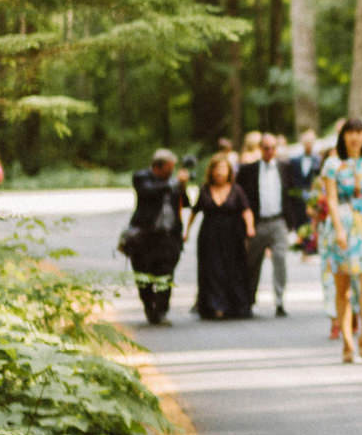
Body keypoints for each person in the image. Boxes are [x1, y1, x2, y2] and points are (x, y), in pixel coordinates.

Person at [320, 119, 362, 362]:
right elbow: (332, 199)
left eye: (359, 132)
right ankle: (347, 341)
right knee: (343, 287)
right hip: (343, 225)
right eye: (350, 133)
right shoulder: (332, 164)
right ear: (344, 136)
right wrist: (338, 229)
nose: (355, 137)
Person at [236, 132, 306, 316]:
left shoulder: (285, 168)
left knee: (280, 259)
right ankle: (248, 301)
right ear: (260, 149)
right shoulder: (248, 170)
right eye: (266, 148)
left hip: (279, 222)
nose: (269, 151)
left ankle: (280, 301)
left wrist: (295, 223)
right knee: (252, 262)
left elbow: (293, 195)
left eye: (273, 148)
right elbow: (241, 197)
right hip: (259, 223)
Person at [186, 152, 254, 320]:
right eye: (217, 169)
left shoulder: (236, 190)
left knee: (233, 269)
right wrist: (186, 231)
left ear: (229, 172)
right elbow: (195, 211)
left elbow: (246, 210)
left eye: (223, 169)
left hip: (232, 236)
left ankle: (235, 306)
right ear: (211, 172)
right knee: (212, 270)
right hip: (210, 236)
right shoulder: (205, 190)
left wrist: (250, 227)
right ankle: (214, 306)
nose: (220, 173)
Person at [125, 149, 187, 326]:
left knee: (166, 275)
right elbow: (147, 192)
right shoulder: (142, 177)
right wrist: (174, 183)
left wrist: (182, 186)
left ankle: (161, 310)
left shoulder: (173, 182)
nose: (172, 172)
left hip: (168, 236)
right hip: (144, 236)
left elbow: (186, 202)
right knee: (143, 275)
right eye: (169, 168)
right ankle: (149, 306)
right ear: (159, 166)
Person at [290, 128, 323, 256]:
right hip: (298, 197)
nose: (308, 145)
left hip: (313, 197)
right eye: (306, 142)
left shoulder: (318, 160)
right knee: (300, 221)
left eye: (311, 142)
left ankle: (310, 249)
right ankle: (302, 246)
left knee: (311, 223)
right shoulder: (295, 160)